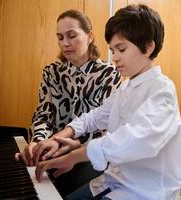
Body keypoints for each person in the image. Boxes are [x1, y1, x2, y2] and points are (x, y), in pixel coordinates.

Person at [35, 4, 181, 200]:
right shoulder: (126, 87)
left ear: (148, 47)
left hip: (144, 191)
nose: (115, 58)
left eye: (121, 49)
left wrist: (71, 157)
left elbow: (130, 139)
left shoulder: (162, 90)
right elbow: (94, 117)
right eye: (112, 50)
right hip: (113, 180)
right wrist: (57, 138)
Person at [15, 9, 121, 196]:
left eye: (71, 36)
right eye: (60, 37)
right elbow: (43, 115)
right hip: (53, 148)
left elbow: (105, 128)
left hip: (88, 155)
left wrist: (67, 146)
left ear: (89, 37)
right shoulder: (51, 72)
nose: (65, 43)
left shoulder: (109, 74)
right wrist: (38, 143)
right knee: (25, 176)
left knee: (60, 185)